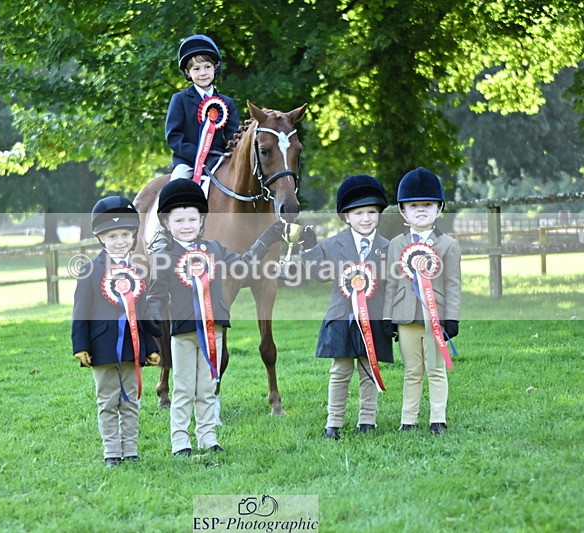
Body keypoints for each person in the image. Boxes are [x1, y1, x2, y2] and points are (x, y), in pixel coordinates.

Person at [145, 180, 283, 456]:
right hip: (183, 332)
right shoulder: (165, 256)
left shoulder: (215, 250)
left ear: (202, 221)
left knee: (208, 386)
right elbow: (156, 293)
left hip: (213, 330)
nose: (186, 226)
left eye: (192, 220)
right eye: (179, 220)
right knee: (184, 388)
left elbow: (243, 263)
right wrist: (151, 315)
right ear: (167, 223)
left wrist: (265, 240)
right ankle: (180, 440)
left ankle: (207, 435)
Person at [295, 174, 395, 440]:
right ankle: (334, 423)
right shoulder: (333, 245)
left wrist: (391, 318)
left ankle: (367, 420)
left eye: (372, 212)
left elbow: (394, 286)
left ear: (379, 214)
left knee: (369, 369)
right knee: (340, 371)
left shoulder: (388, 247)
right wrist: (307, 249)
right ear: (346, 216)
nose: (366, 218)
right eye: (359, 213)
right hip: (342, 318)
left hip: (373, 319)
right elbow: (315, 273)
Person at [71, 195, 162, 466]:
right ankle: (112, 451)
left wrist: (152, 347)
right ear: (101, 239)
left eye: (125, 234)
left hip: (133, 348)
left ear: (133, 236)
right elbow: (81, 312)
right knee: (108, 401)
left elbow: (142, 313)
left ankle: (130, 449)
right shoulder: (89, 270)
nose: (120, 241)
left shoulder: (138, 271)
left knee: (131, 401)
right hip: (102, 347)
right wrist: (81, 345)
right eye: (113, 236)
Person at [382, 167, 461, 436]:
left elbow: (453, 284)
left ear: (439, 208)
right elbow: (391, 284)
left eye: (427, 205)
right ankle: (408, 419)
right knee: (412, 370)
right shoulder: (396, 244)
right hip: (405, 317)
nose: (421, 211)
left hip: (435, 316)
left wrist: (452, 317)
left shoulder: (449, 244)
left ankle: (438, 418)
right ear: (403, 211)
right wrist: (387, 318)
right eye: (414, 206)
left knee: (436, 369)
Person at [166, 34, 240, 181]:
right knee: (176, 186)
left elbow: (235, 137)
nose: (203, 73)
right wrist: (200, 155)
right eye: (196, 69)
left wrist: (228, 155)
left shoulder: (227, 102)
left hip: (220, 161)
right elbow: (174, 136)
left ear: (215, 67)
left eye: (207, 67)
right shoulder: (179, 99)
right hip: (188, 163)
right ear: (187, 72)